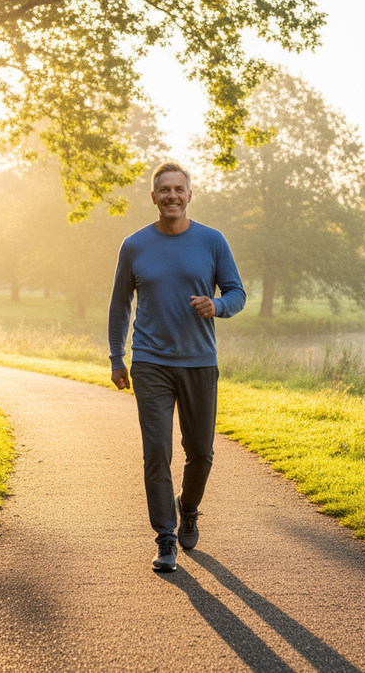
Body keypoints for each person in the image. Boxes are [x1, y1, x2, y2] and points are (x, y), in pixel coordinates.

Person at [108, 161, 246, 571]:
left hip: (200, 362)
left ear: (189, 195)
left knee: (200, 452)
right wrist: (118, 357)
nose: (171, 196)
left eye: (178, 189)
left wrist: (217, 305)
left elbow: (236, 292)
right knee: (156, 452)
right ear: (153, 197)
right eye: (163, 190)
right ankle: (165, 536)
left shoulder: (212, 241)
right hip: (150, 361)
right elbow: (120, 305)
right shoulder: (134, 245)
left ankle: (188, 507)